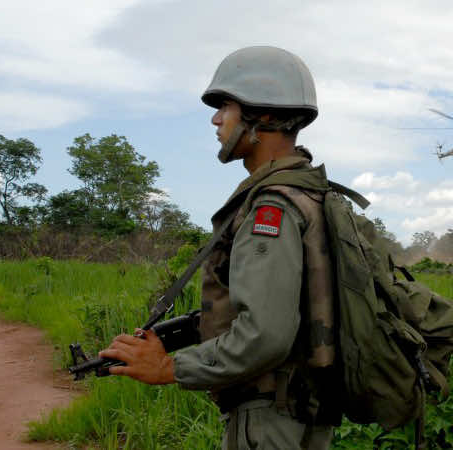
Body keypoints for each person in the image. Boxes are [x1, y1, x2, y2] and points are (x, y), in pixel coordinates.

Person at [99, 46, 338, 450]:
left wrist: (170, 367)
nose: (215, 118)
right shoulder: (310, 194)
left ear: (261, 115)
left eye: (225, 105)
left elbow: (266, 335)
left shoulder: (272, 207)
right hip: (302, 409)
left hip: (270, 419)